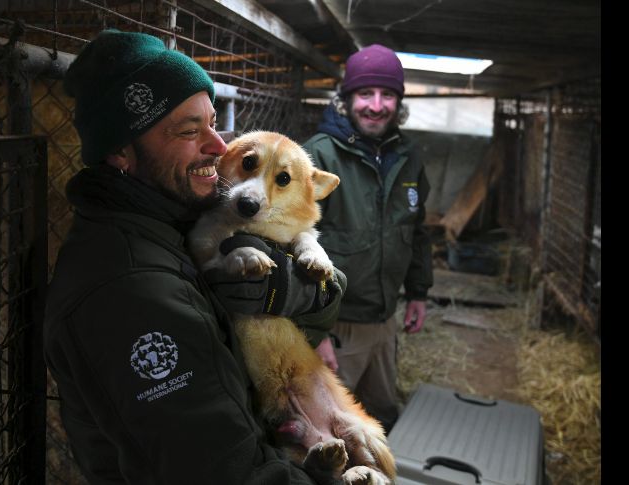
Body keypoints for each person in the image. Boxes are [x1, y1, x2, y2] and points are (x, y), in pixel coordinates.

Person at [43, 29, 346, 485]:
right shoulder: (129, 288)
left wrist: (298, 293)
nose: (220, 146)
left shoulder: (181, 215)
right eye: (189, 130)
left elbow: (325, 297)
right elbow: (223, 469)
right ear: (120, 151)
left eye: (211, 123)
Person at [303, 44, 433, 435]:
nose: (376, 106)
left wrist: (418, 292)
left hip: (384, 319)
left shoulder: (407, 156)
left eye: (387, 94)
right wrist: (314, 332)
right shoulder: (316, 158)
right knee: (331, 427)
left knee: (381, 413)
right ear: (346, 99)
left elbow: (417, 229)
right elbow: (290, 243)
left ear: (399, 101)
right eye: (365, 94)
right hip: (336, 325)